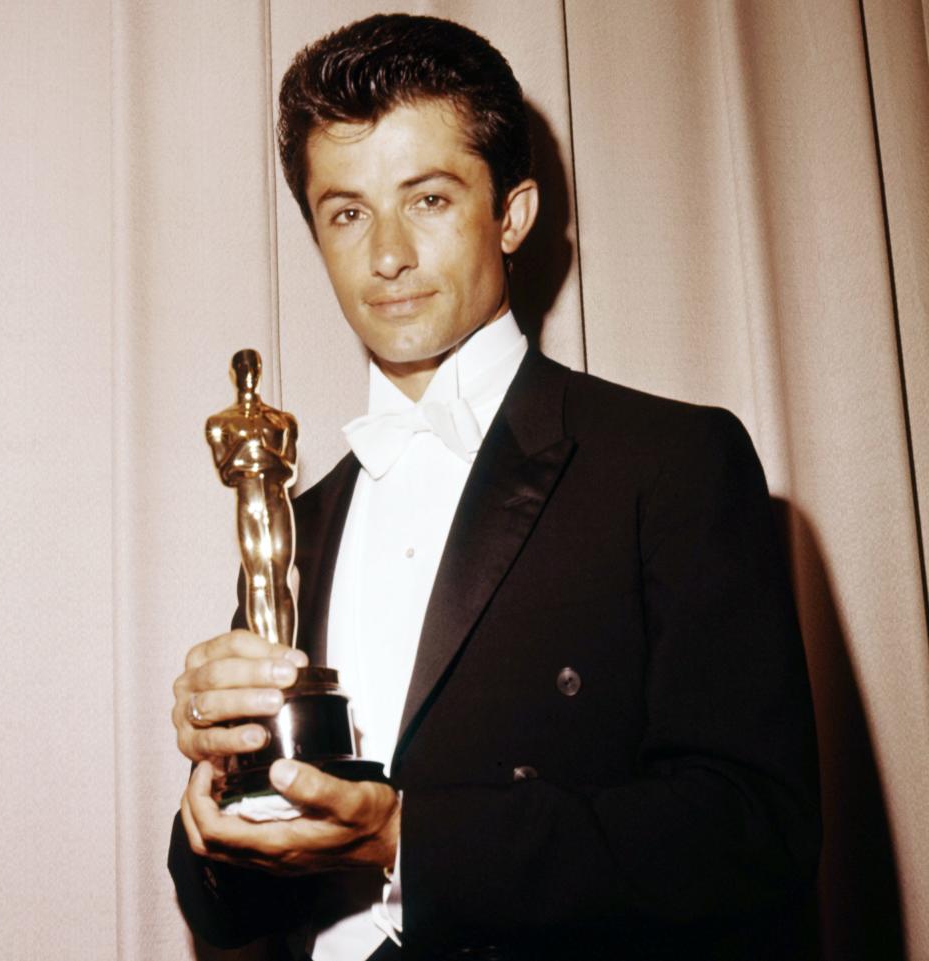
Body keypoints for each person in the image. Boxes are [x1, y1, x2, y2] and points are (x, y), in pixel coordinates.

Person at [169, 14, 820, 961]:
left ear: (511, 213)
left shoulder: (670, 461)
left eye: (426, 200)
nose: (385, 254)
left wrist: (408, 839)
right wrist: (212, 804)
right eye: (347, 211)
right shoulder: (298, 525)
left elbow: (754, 834)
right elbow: (229, 913)